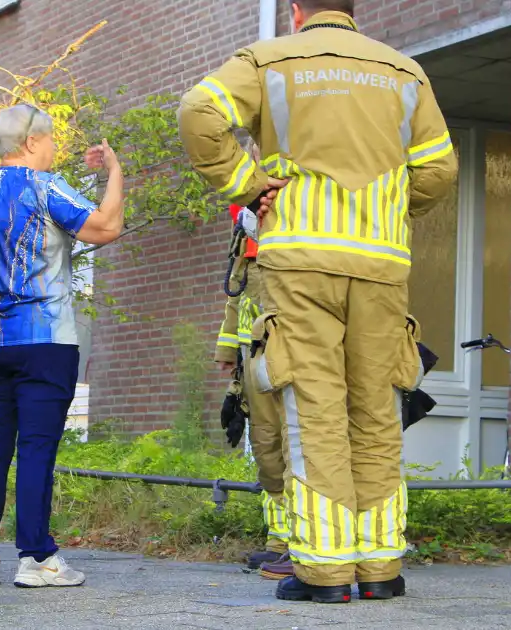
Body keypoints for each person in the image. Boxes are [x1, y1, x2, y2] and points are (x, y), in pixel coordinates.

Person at [178, 0, 458, 604]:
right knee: (378, 410)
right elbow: (438, 172)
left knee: (315, 411)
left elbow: (199, 113)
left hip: (301, 261)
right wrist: (387, 214)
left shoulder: (268, 59)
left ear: (298, 9)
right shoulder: (405, 72)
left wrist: (247, 187)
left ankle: (326, 572)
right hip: (382, 266)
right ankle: (382, 567)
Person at [0, 104, 125, 590]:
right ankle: (37, 560)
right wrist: (114, 173)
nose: (53, 150)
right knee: (36, 450)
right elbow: (105, 227)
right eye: (50, 141)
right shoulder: (43, 186)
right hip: (43, 340)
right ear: (31, 143)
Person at [214, 143, 292, 580]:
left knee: (293, 444)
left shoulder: (292, 240)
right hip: (256, 361)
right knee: (267, 449)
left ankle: (302, 539)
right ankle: (278, 540)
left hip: (289, 359)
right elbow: (237, 295)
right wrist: (230, 355)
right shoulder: (247, 233)